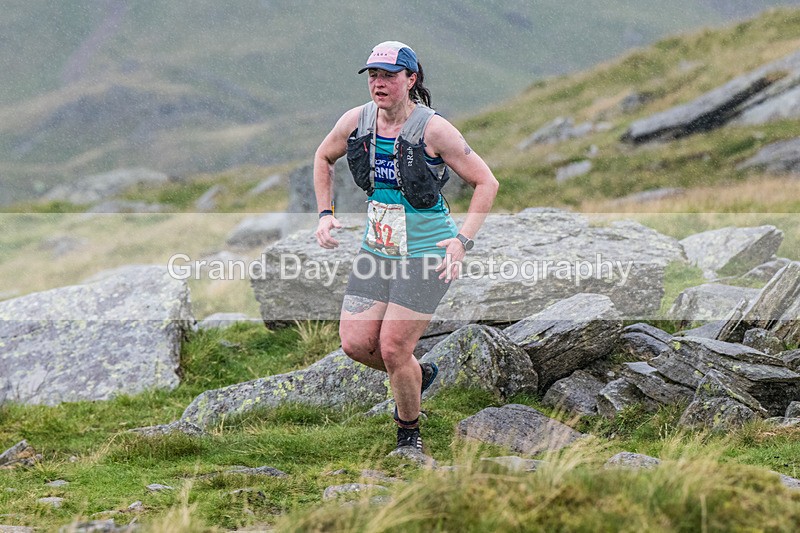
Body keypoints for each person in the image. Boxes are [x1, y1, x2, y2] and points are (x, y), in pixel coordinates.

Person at [313, 41, 499, 454]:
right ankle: (416, 375)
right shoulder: (356, 121)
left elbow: (487, 182)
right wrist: (324, 213)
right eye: (374, 76)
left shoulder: (434, 129)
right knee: (356, 345)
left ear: (411, 80)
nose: (379, 84)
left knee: (394, 348)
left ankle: (409, 435)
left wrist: (461, 242)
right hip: (377, 249)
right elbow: (323, 157)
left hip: (427, 252)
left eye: (389, 76)